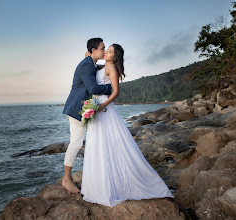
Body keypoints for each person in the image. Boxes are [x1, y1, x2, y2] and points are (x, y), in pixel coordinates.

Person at [81, 44, 174, 207]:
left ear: (115, 57)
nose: (106, 52)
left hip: (104, 108)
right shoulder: (103, 66)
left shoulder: (112, 70)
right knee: (98, 143)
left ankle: (117, 183)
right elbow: (92, 66)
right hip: (96, 105)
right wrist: (89, 57)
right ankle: (99, 182)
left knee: (109, 143)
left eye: (109, 51)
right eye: (106, 50)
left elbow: (116, 92)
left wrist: (103, 106)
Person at [62, 38, 112, 193]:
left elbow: (96, 68)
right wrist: (113, 88)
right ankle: (66, 179)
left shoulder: (89, 63)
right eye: (102, 48)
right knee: (76, 143)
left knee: (96, 139)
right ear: (93, 50)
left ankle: (97, 173)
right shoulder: (86, 65)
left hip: (85, 108)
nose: (104, 51)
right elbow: (93, 88)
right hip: (77, 107)